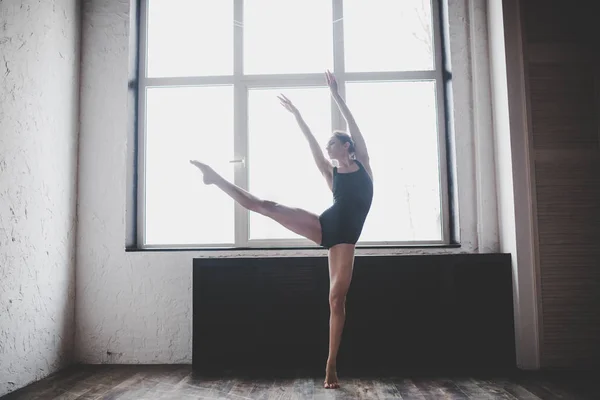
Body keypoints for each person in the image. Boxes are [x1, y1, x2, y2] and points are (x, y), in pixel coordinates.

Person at [190, 70, 373, 389]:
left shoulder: (364, 165)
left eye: (333, 142)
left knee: (335, 300)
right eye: (328, 144)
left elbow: (354, 124)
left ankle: (330, 364)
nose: (328, 147)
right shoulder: (334, 177)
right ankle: (216, 178)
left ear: (347, 146)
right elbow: (313, 147)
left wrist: (336, 96)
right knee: (268, 206)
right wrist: (299, 116)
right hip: (326, 226)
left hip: (346, 239)